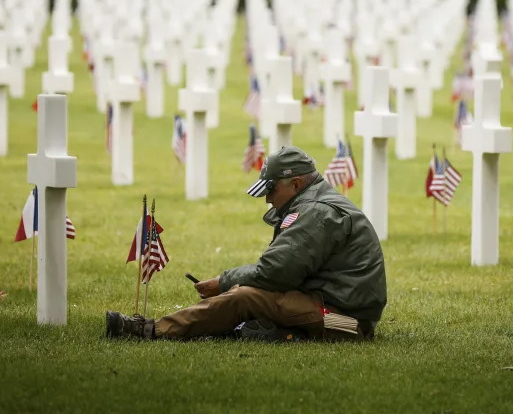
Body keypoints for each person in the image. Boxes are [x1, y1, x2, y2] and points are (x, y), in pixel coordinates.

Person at [105, 146, 387, 342]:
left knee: (245, 296)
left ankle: (150, 330)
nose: (267, 198)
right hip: (335, 311)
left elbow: (274, 273)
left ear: (297, 184)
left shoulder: (316, 212)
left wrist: (224, 282)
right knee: (248, 293)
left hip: (349, 325)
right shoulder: (316, 205)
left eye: (272, 189)